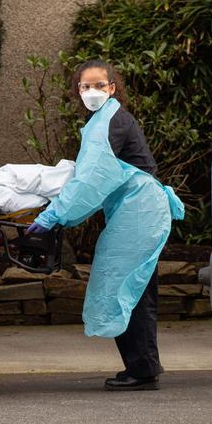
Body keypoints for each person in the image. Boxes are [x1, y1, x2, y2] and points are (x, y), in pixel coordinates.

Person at [27, 60, 184, 391]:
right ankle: (143, 366)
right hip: (139, 210)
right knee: (134, 287)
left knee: (128, 288)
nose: (92, 92)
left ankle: (141, 370)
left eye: (99, 85)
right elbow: (94, 174)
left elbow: (91, 180)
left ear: (112, 88)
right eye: (85, 87)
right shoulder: (105, 119)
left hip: (139, 212)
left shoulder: (110, 121)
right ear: (78, 91)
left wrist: (53, 215)